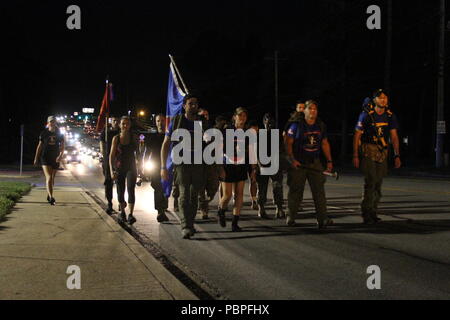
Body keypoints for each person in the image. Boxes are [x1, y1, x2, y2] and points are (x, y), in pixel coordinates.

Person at [161, 94, 208, 239]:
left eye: (196, 103)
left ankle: (190, 222)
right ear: (184, 106)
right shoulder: (176, 121)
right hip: (181, 164)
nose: (194, 106)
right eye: (190, 103)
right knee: (184, 194)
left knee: (194, 195)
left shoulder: (202, 123)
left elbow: (211, 142)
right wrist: (163, 167)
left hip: (198, 164)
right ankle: (185, 225)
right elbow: (166, 144)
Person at [353, 89, 401, 224]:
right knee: (371, 181)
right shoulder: (366, 115)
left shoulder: (390, 116)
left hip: (382, 152)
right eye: (380, 98)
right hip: (369, 151)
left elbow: (394, 136)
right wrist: (356, 155)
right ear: (374, 100)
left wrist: (397, 155)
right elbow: (357, 135)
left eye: (385, 98)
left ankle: (373, 211)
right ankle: (366, 212)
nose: (383, 100)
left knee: (378, 183)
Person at [285, 100, 334, 229]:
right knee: (295, 191)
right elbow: (288, 143)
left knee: (319, 192)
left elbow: (324, 143)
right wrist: (292, 159)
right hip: (299, 163)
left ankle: (322, 218)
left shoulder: (320, 125)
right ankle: (291, 217)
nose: (313, 111)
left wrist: (329, 161)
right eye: (310, 108)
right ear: (304, 111)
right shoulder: (296, 125)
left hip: (314, 163)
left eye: (315, 109)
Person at [217, 107, 257, 232]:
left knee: (239, 195)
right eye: (240, 116)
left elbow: (251, 152)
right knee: (227, 195)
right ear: (234, 117)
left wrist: (253, 169)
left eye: (244, 116)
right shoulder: (227, 131)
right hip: (228, 166)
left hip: (241, 166)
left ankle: (235, 222)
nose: (242, 118)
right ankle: (221, 211)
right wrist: (220, 168)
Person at [109, 116, 138, 224]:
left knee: (131, 189)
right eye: (123, 124)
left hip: (131, 166)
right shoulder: (116, 138)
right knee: (120, 191)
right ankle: (123, 213)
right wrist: (112, 171)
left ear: (130, 125)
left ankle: (130, 214)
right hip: (119, 167)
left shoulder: (134, 137)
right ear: (120, 125)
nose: (125, 126)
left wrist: (141, 168)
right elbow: (111, 156)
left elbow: (138, 153)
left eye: (127, 124)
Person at [256, 113, 285, 219]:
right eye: (268, 123)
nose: (270, 125)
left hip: (275, 165)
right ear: (264, 122)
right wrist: (258, 165)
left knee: (278, 187)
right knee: (262, 188)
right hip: (262, 165)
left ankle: (279, 208)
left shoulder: (277, 135)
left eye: (272, 123)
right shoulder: (259, 134)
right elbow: (255, 151)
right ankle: (261, 208)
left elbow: (282, 150)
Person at [144, 114, 169, 222]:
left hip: (168, 165)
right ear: (155, 122)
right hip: (156, 165)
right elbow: (146, 153)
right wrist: (144, 166)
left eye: (162, 120)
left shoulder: (169, 136)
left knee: (166, 188)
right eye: (158, 121)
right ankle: (160, 211)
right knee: (158, 187)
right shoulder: (152, 137)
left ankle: (163, 206)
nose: (160, 123)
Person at [33, 116, 65, 205]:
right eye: (51, 121)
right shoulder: (44, 133)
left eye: (54, 121)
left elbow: (62, 147)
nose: (52, 123)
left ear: (56, 123)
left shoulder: (60, 134)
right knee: (49, 177)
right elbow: (39, 146)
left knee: (52, 178)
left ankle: (48, 193)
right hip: (45, 157)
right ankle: (51, 197)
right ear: (48, 123)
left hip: (55, 157)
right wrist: (36, 158)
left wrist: (60, 156)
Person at [197, 108, 220, 220]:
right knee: (200, 188)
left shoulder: (213, 129)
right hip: (198, 163)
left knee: (214, 186)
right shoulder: (194, 129)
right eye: (202, 115)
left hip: (211, 162)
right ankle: (203, 209)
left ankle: (205, 201)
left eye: (206, 115)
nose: (204, 117)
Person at [99, 116, 120, 214]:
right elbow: (102, 144)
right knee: (108, 182)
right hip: (108, 160)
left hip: (119, 160)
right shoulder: (106, 132)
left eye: (117, 121)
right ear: (111, 121)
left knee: (120, 182)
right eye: (114, 120)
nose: (116, 122)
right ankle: (109, 203)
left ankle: (121, 202)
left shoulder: (121, 132)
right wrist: (105, 157)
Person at [247, 120, 259, 210]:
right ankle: (235, 196)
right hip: (246, 161)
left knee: (254, 181)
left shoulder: (260, 138)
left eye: (256, 131)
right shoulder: (246, 138)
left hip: (257, 161)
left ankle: (254, 200)